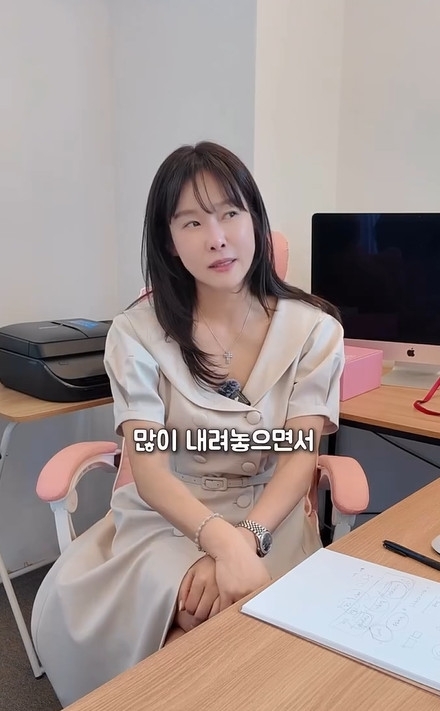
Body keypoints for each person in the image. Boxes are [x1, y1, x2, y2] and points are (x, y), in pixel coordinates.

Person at [31, 141, 344, 707]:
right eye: (192, 222)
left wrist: (245, 540)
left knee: (217, 635)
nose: (217, 237)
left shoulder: (314, 330)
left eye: (230, 213)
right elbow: (149, 472)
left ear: (255, 219)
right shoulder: (137, 333)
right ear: (170, 241)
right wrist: (219, 543)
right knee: (199, 629)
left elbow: (301, 457)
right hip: (167, 517)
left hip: (269, 517)